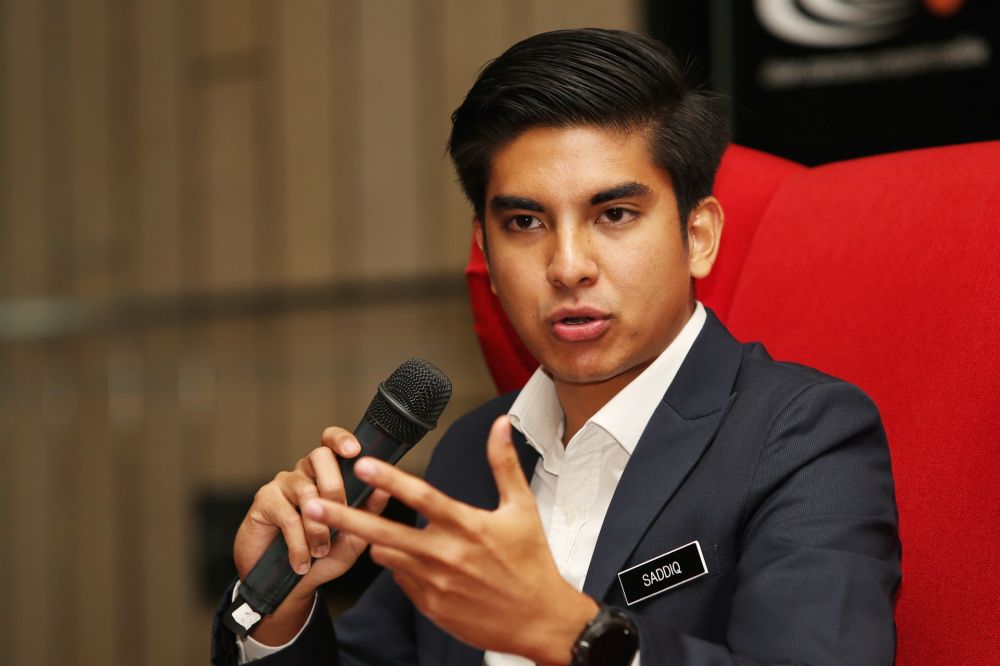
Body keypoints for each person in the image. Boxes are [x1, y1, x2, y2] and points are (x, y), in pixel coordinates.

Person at [212, 28, 900, 666]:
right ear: (485, 247)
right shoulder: (474, 452)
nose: (568, 266)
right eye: (524, 221)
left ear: (699, 236)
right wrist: (280, 607)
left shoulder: (803, 433)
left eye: (614, 215)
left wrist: (577, 636)